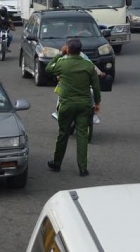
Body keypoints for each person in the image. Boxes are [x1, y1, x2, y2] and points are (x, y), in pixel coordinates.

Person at [46, 39, 101, 177]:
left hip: (67, 104)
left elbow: (48, 68)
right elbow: (96, 86)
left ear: (68, 50)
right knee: (82, 135)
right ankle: (83, 168)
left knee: (63, 134)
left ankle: (57, 163)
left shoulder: (62, 63)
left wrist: (60, 54)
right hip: (84, 105)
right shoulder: (88, 65)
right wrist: (97, 103)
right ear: (80, 50)